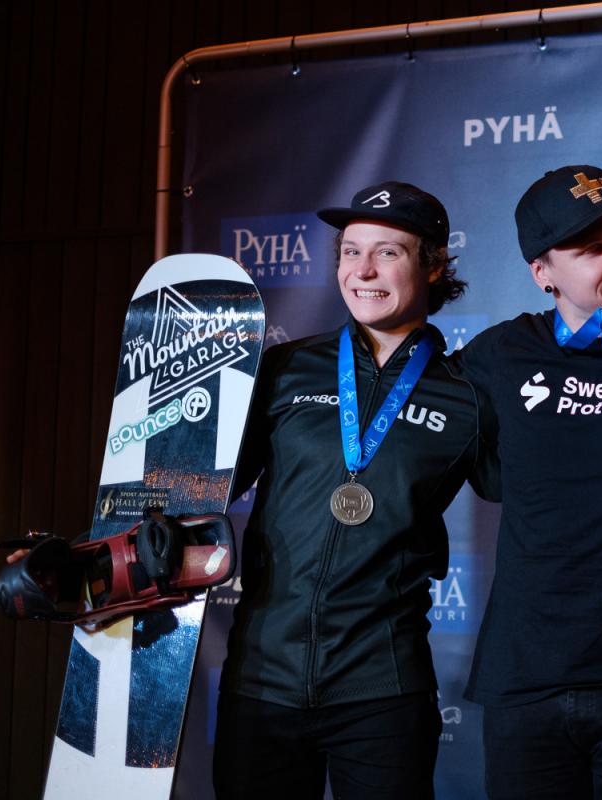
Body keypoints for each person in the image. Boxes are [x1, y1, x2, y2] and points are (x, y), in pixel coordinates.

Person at [212, 181, 497, 799]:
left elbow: (537, 505)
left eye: (388, 253)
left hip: (382, 691)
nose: (362, 271)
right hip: (262, 681)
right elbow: (203, 487)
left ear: (434, 264)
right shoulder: (285, 369)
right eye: (350, 251)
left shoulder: (468, 396)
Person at [457, 166, 602, 799]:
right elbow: (473, 470)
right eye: (593, 249)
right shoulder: (496, 357)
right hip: (528, 678)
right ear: (542, 272)